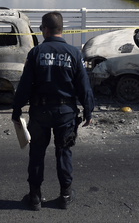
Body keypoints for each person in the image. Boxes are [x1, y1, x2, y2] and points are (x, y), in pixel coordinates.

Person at [12, 12, 94, 211]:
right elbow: (84, 85)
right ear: (61, 30)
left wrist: (17, 110)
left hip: (40, 112)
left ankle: (34, 197)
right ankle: (65, 196)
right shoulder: (74, 53)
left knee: (37, 152)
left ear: (46, 30)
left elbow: (24, 86)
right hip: (66, 113)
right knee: (64, 152)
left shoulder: (36, 53)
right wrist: (88, 110)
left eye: (41, 29)